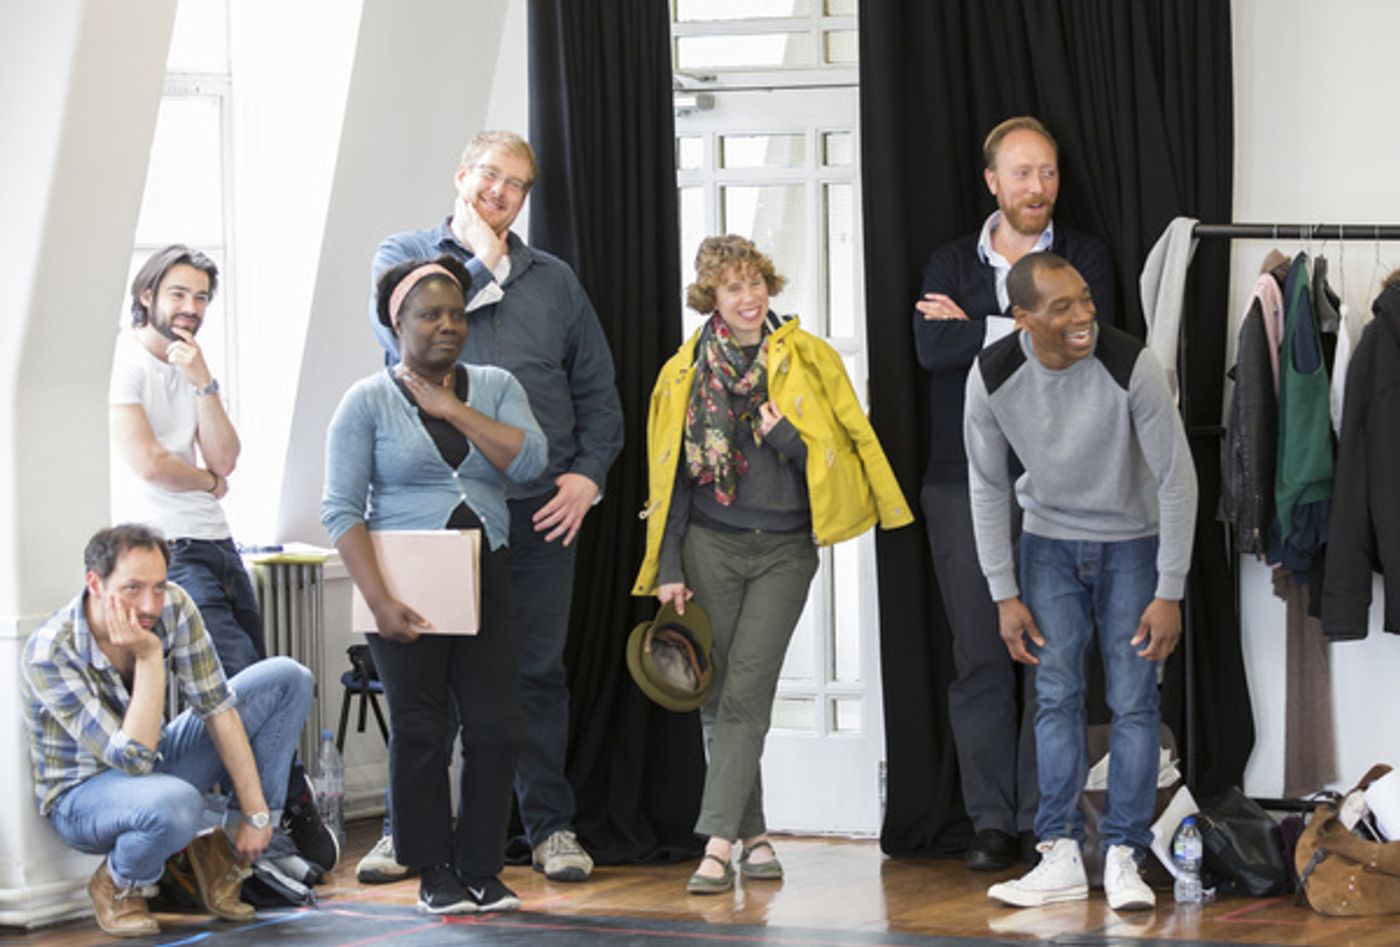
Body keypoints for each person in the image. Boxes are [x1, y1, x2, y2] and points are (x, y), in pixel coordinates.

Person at [362, 130, 623, 884]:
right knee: (427, 683)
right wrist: (475, 260)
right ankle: (407, 833)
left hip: (539, 510)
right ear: (461, 176)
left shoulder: (556, 282)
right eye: (488, 175)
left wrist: (588, 477)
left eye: (516, 183)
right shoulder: (402, 257)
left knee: (536, 673)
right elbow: (399, 341)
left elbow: (598, 395)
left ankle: (550, 828)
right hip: (434, 510)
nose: (500, 192)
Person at [633, 235, 912, 894]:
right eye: (733, 287)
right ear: (712, 298)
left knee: (747, 688)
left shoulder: (808, 358)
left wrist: (788, 437)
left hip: (786, 547)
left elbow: (845, 445)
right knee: (716, 691)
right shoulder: (683, 371)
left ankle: (715, 841)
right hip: (708, 544)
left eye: (757, 283)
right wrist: (669, 562)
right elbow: (670, 476)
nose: (749, 297)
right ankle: (754, 835)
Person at [911, 116, 1115, 871]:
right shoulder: (947, 260)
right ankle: (991, 818)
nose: (1039, 188)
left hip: (1062, 487)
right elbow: (934, 348)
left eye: (1049, 173)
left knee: (1053, 658)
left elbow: (1080, 344)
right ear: (992, 181)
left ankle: (1047, 819)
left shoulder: (1083, 256)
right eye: (1023, 174)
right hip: (959, 484)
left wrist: (985, 329)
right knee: (980, 655)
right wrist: (1028, 326)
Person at [964, 253, 1196, 911]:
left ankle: (1123, 853)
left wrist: (1169, 588)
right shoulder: (993, 374)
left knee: (1134, 700)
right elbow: (985, 483)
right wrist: (1001, 591)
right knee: (1055, 696)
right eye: (1061, 306)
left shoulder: (1131, 365)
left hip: (1133, 543)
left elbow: (1179, 479)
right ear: (1023, 318)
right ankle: (1059, 853)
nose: (1083, 315)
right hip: (1047, 545)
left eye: (1086, 299)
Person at [324, 256, 548, 913]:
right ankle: (433, 871)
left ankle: (480, 864)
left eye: (456, 314)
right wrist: (380, 600)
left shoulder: (497, 384)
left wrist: (451, 407)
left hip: (485, 570)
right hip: (404, 582)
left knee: (497, 727)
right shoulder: (365, 400)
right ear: (397, 323)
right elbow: (341, 509)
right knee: (420, 732)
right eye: (430, 314)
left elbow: (531, 460)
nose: (448, 325)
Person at [109, 244, 337, 873]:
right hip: (170, 552)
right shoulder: (124, 363)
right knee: (237, 686)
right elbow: (149, 462)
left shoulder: (191, 367)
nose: (191, 308)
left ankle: (276, 811)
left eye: (202, 297)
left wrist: (203, 380)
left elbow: (227, 455)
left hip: (220, 545)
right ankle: (280, 817)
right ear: (147, 294)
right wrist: (206, 481)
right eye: (178, 294)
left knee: (264, 679)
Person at [20, 525, 314, 938]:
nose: (149, 604)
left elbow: (218, 707)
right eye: (133, 588)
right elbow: (133, 758)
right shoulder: (51, 652)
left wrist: (255, 812)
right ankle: (117, 885)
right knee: (176, 802)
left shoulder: (173, 604)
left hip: (154, 767)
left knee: (287, 678)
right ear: (95, 583)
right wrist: (149, 656)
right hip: (83, 797)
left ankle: (225, 855)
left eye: (158, 587)